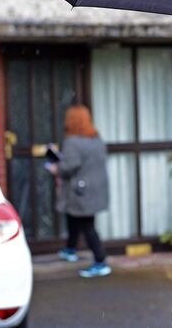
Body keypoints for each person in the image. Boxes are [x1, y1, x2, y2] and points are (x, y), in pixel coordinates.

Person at [48, 104, 111, 278]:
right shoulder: (96, 140)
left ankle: (100, 261)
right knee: (73, 217)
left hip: (81, 191)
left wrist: (56, 168)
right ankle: (70, 249)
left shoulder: (72, 142)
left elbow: (70, 166)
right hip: (95, 190)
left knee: (87, 226)